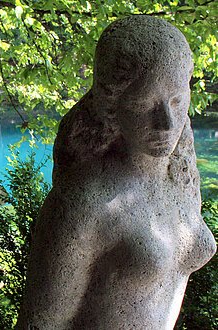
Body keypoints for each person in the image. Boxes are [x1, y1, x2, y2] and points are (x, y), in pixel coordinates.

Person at [17, 15, 216, 329]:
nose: (166, 122)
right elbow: (41, 323)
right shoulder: (87, 202)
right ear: (112, 105)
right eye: (144, 103)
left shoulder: (182, 178)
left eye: (177, 101)